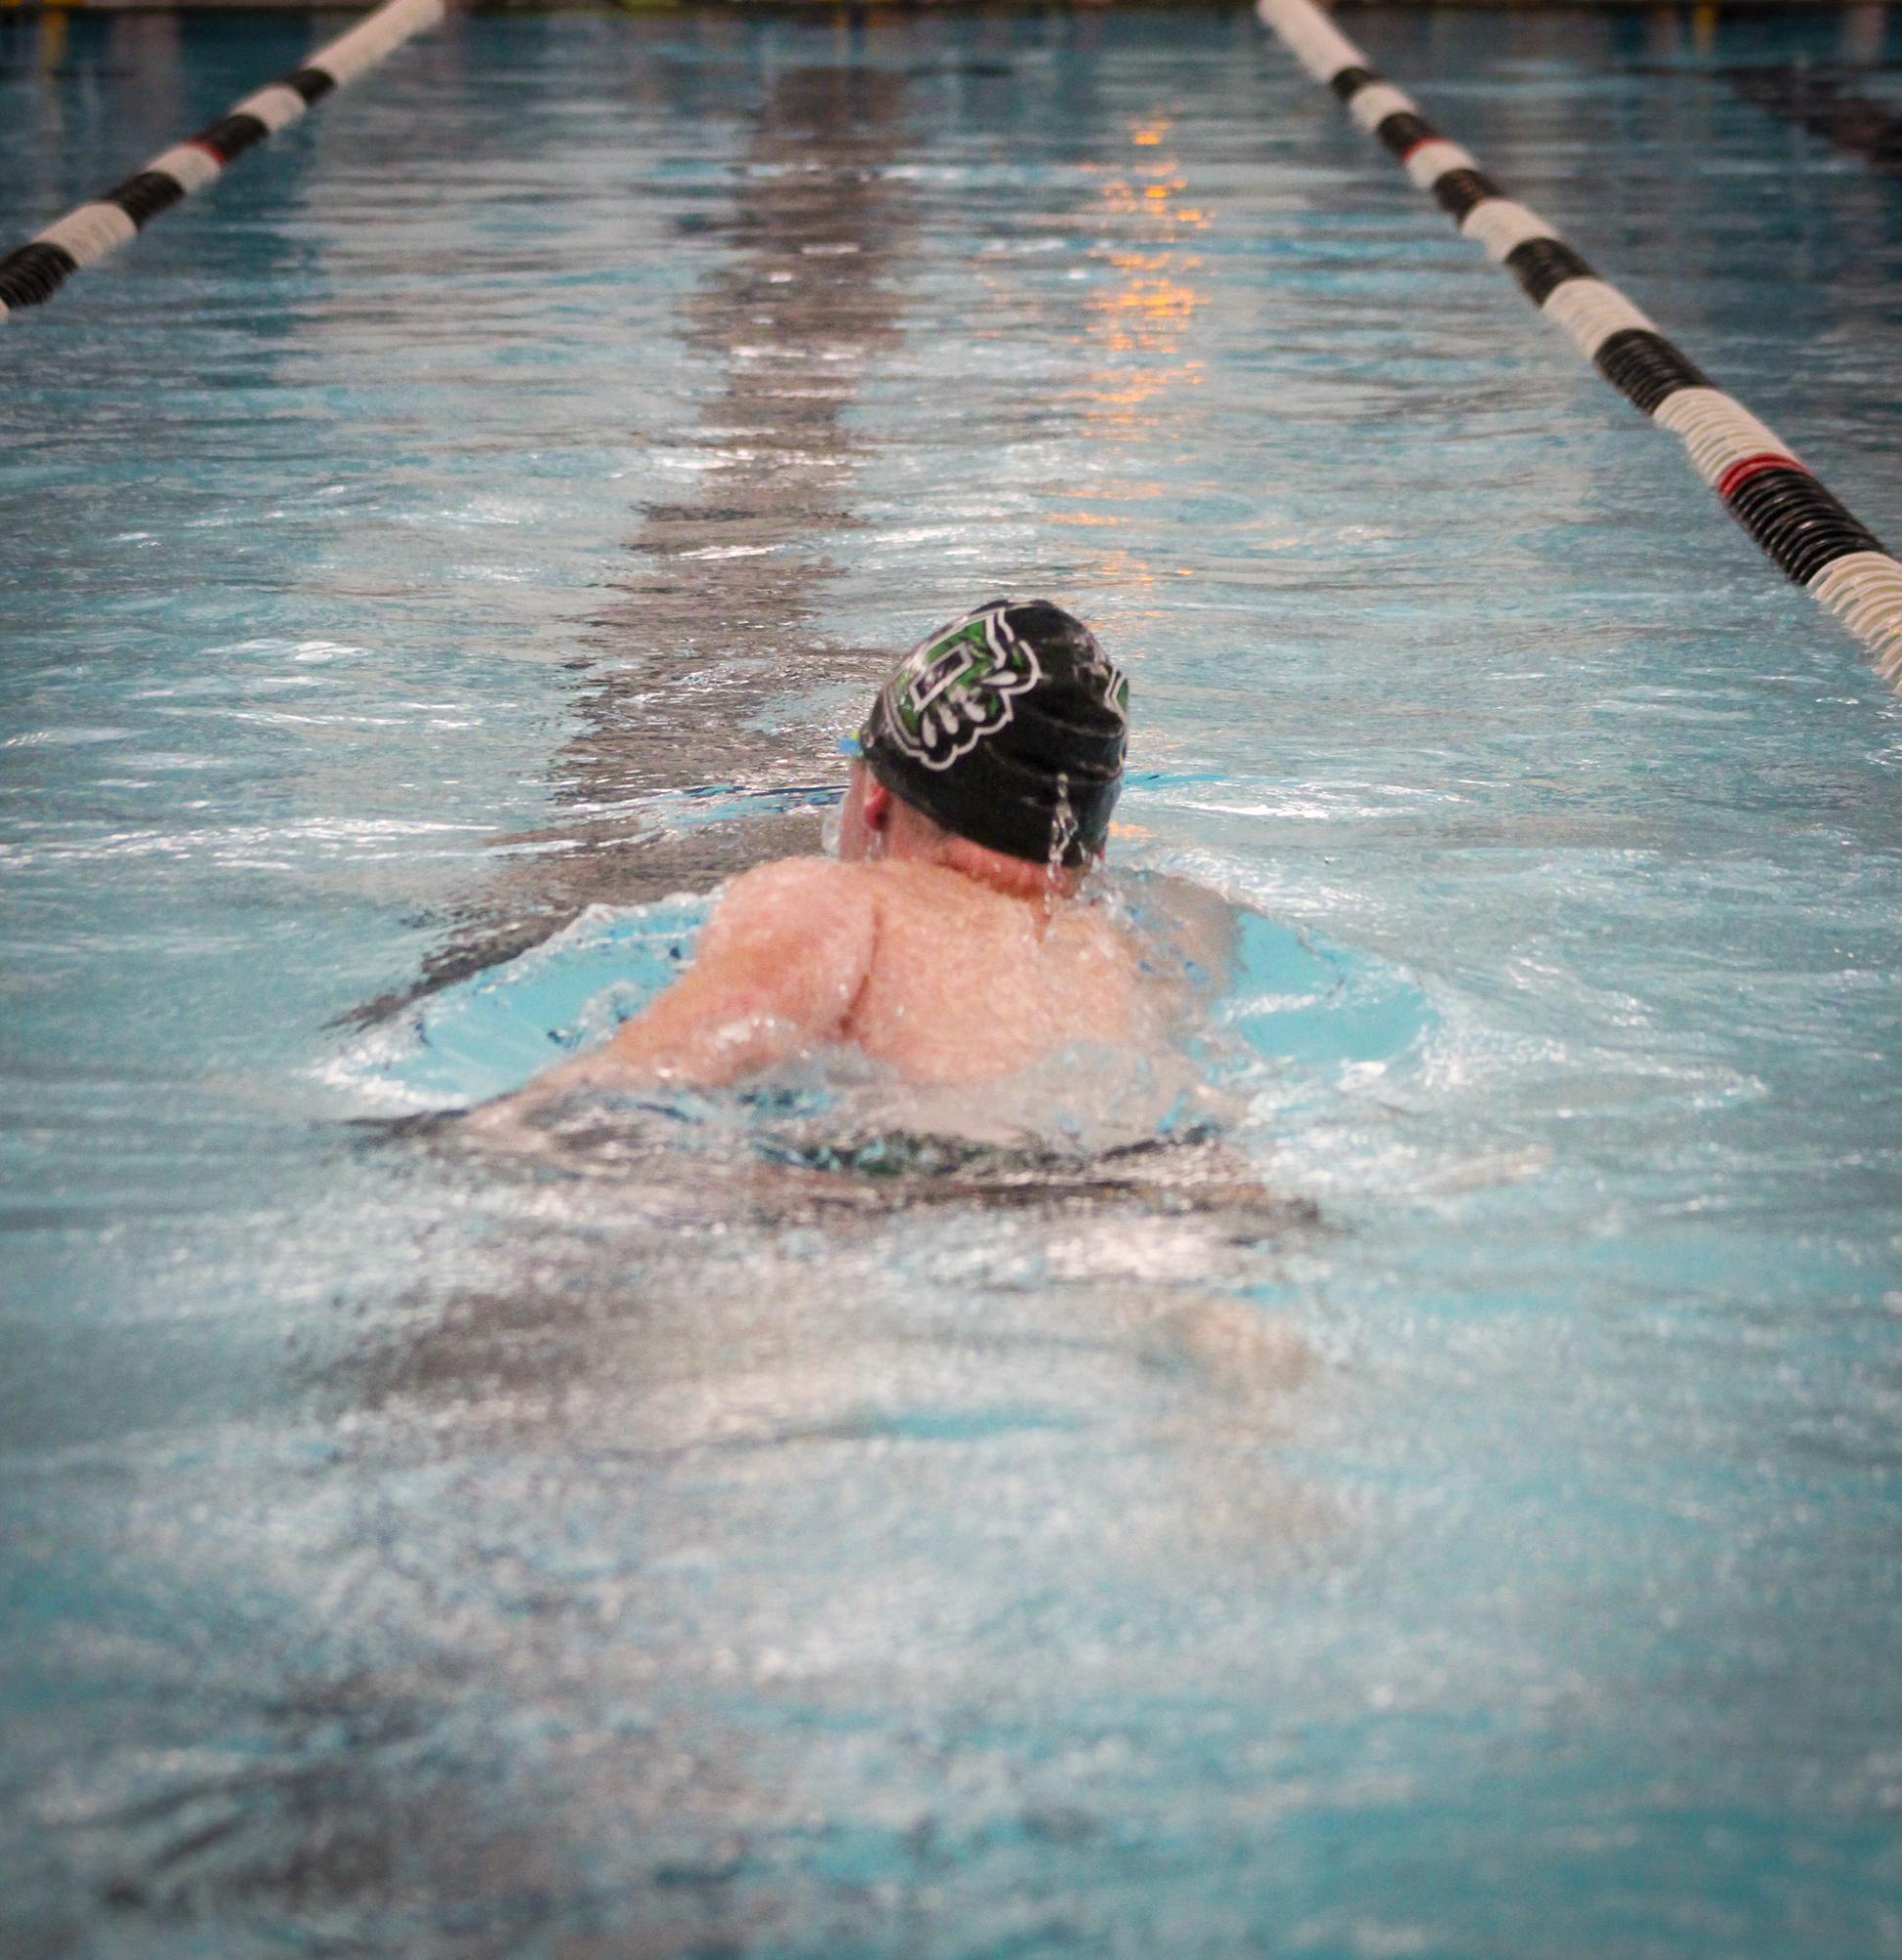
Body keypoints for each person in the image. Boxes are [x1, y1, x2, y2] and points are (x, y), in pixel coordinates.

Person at [470, 598, 1153, 1126]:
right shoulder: (1121, 946)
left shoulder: (845, 900)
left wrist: (504, 1127)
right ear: (1091, 849)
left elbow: (724, 1024)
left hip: (910, 1188)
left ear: (877, 793)